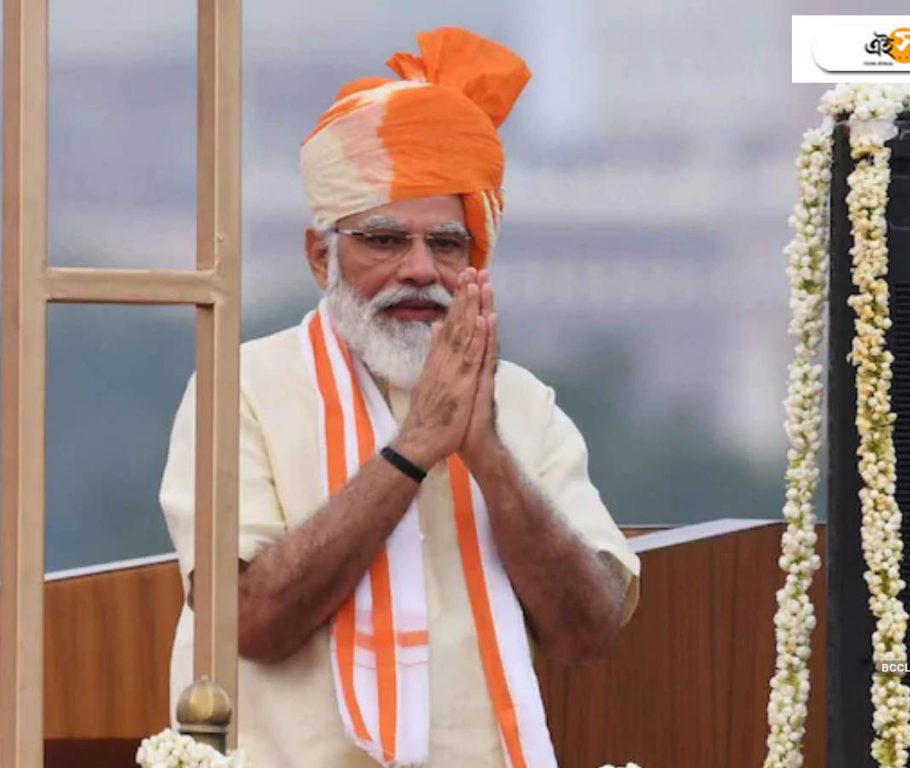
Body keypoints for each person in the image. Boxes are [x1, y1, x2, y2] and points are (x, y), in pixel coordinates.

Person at [161, 26, 639, 768]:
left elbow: (588, 631)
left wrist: (489, 457)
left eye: (447, 245)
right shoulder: (241, 389)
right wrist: (414, 450)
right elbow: (246, 620)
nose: (419, 269)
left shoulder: (521, 403)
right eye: (384, 240)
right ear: (320, 255)